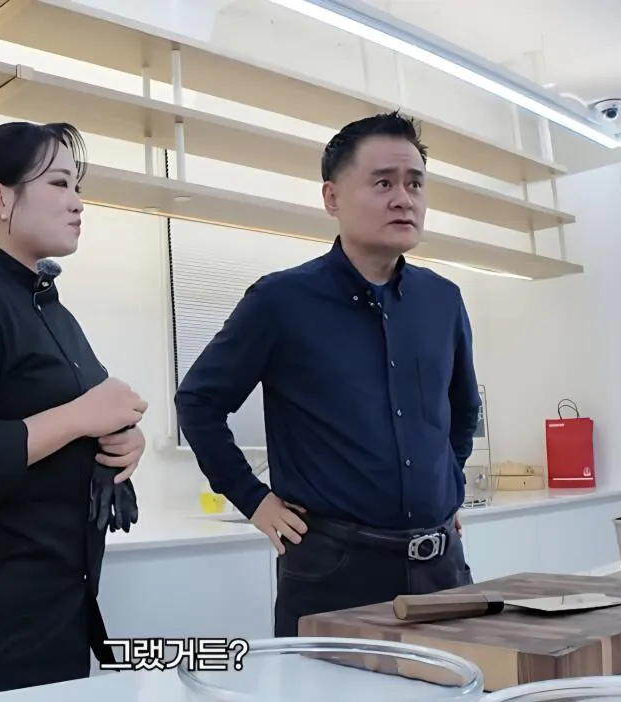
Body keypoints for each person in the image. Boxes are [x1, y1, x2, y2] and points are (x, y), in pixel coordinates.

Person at [174, 111, 482, 637]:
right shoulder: (280, 300)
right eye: (383, 183)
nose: (403, 198)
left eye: (414, 184)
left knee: (462, 677)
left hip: (441, 567)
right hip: (333, 569)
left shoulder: (443, 300)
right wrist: (252, 499)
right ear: (332, 198)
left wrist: (445, 485)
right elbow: (199, 402)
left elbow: (462, 409)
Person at [0, 121, 150, 700]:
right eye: (60, 184)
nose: (78, 203)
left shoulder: (53, 312)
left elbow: (74, 426)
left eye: (78, 187)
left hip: (61, 616)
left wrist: (122, 442)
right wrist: (81, 417)